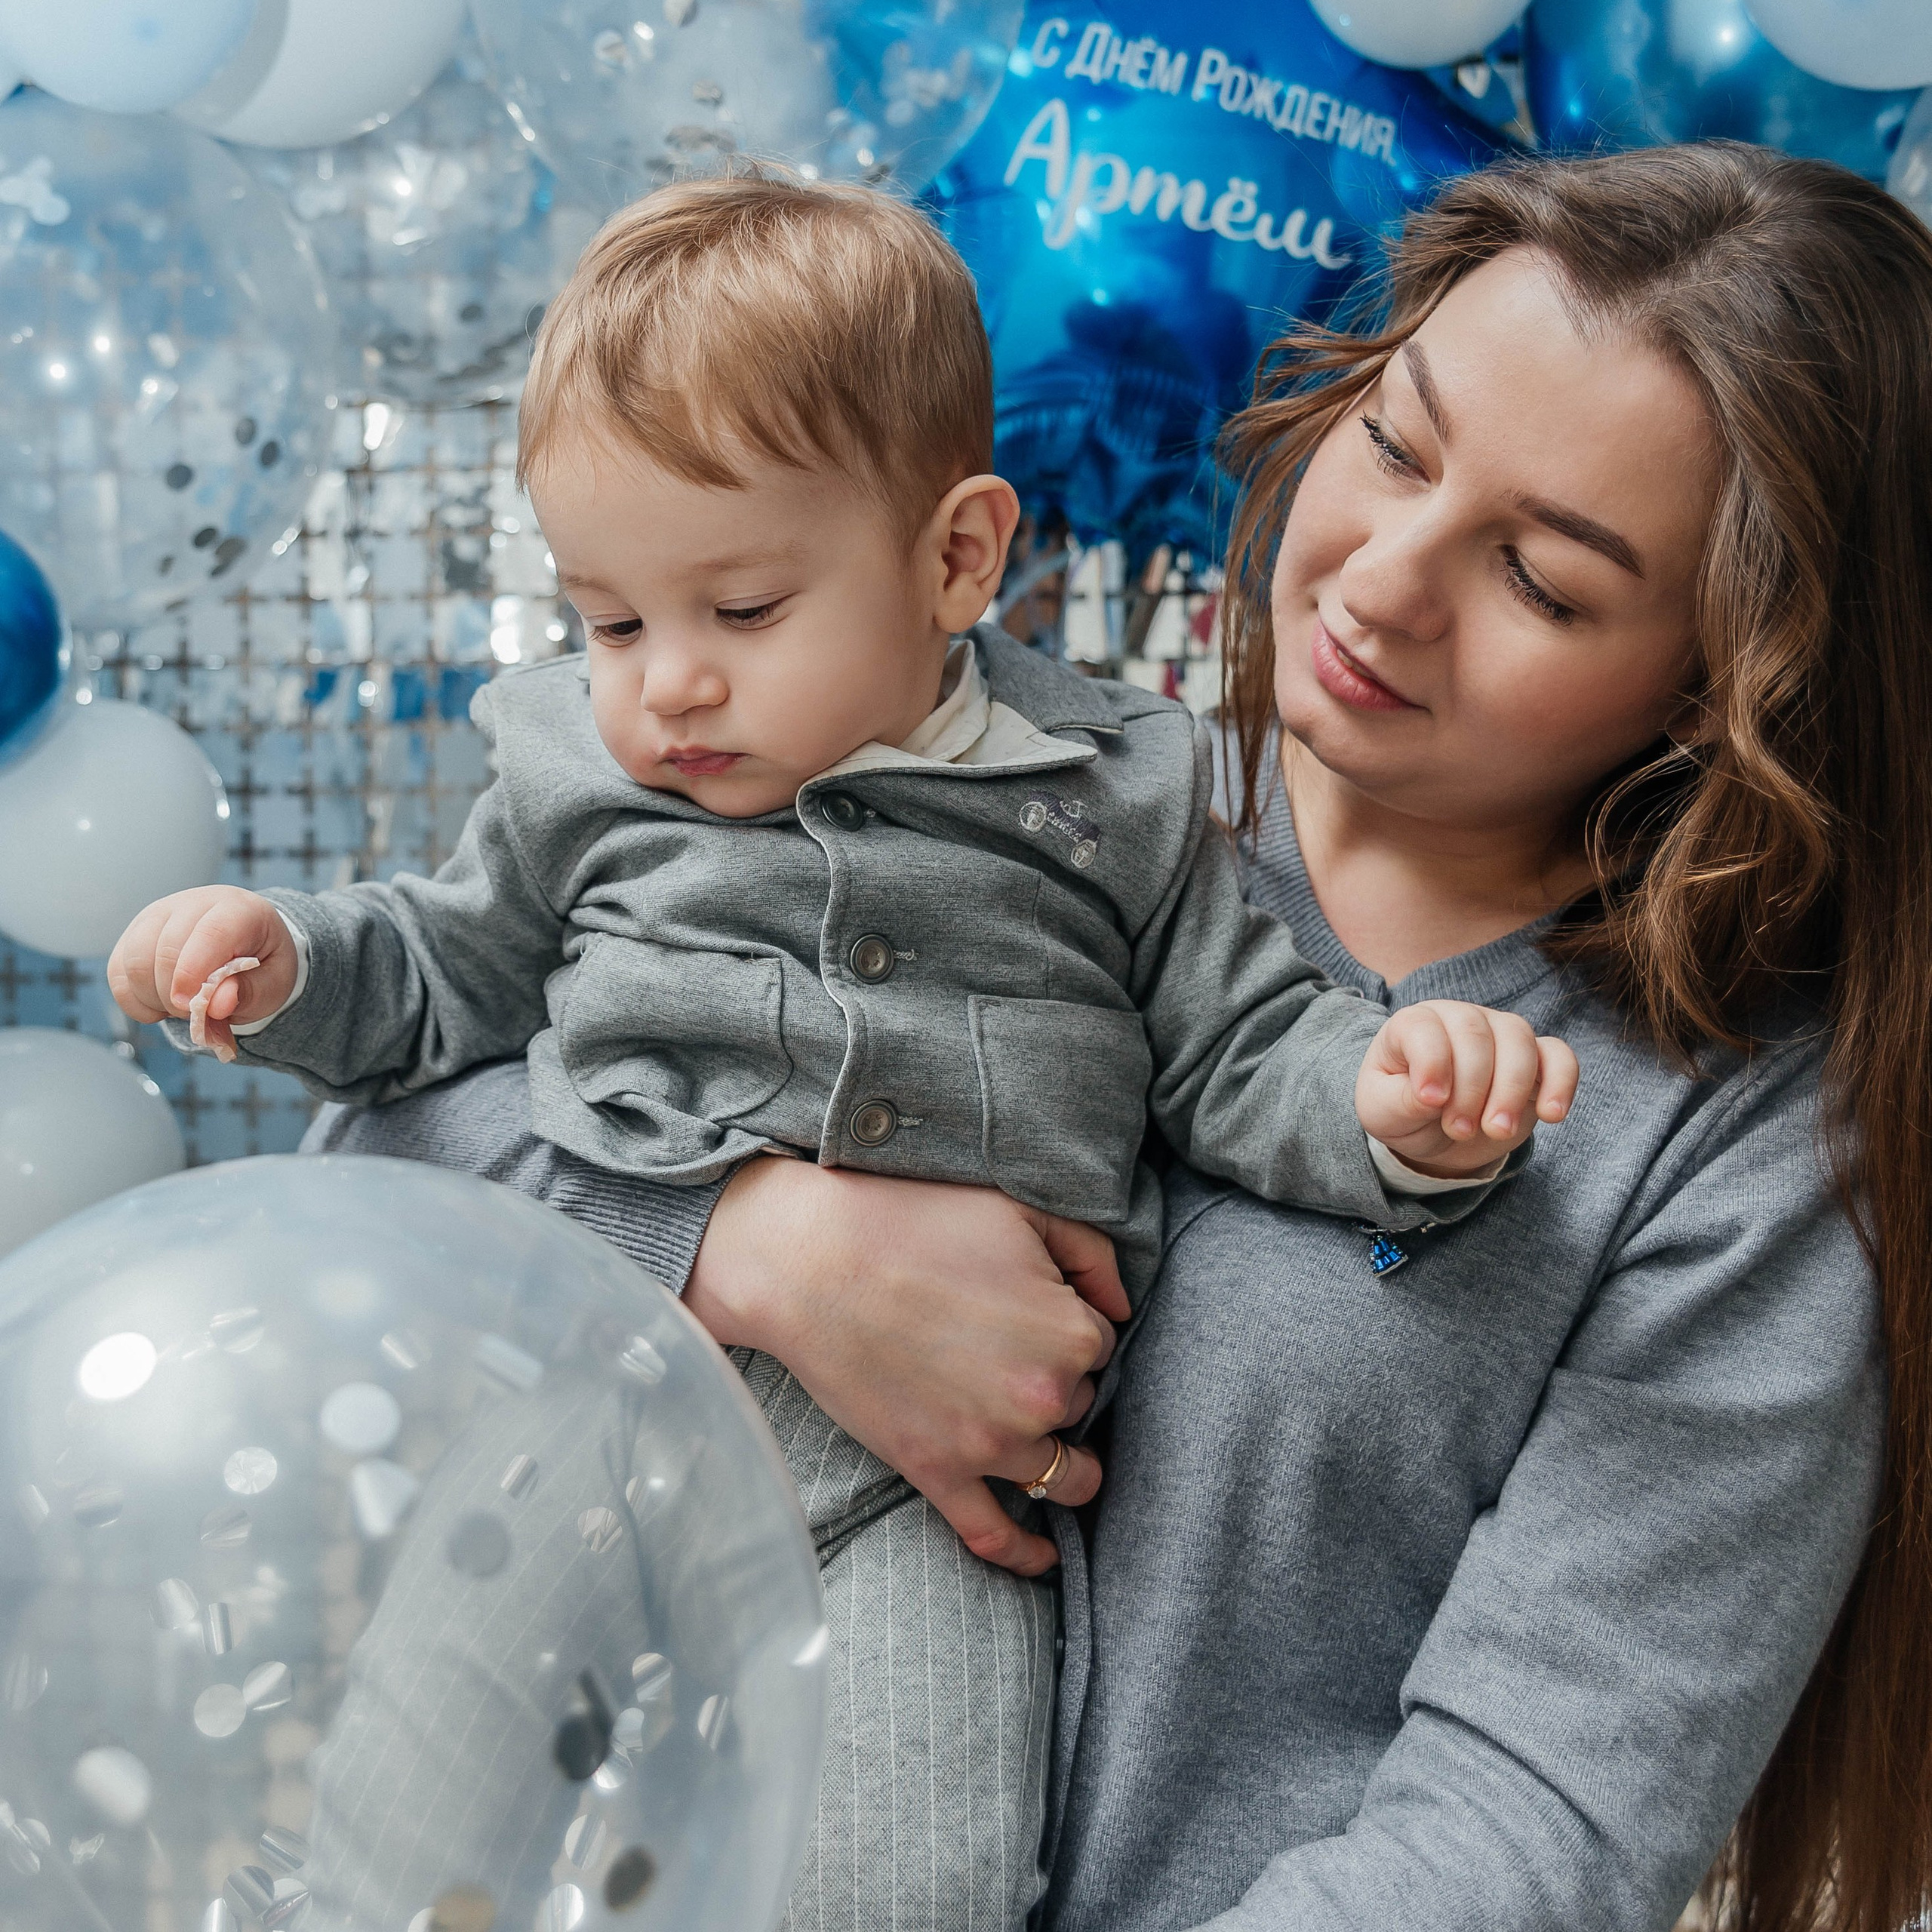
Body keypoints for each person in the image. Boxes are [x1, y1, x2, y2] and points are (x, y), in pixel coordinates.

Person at [304, 140, 1932, 1930]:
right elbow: (363, 1169)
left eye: (1539, 576)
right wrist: (750, 1247)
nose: (1380, 580)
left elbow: (1528, 1826)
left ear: (1729, 679)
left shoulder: (1731, 1145)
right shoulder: (995, 786)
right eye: (1392, 443)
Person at [105, 174, 1574, 1932]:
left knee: (909, 1878)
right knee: (395, 1836)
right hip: (598, 1404)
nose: (665, 689)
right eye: (613, 619)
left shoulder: (1118, 795)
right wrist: (280, 963)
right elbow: (436, 980)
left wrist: (1394, 1104)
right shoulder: (586, 777)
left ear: (955, 556)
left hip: (930, 1497)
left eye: (737, 611)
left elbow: (1240, 1041)